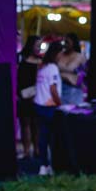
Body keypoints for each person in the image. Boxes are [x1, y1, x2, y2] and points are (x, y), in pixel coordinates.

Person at [33, 42, 64, 176]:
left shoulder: (42, 66)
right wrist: (60, 104)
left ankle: (43, 165)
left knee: (43, 137)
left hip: (38, 105)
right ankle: (51, 165)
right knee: (51, 138)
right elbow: (53, 89)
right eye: (61, 53)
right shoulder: (52, 68)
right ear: (56, 53)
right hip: (49, 107)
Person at [17, 37, 42, 160]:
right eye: (37, 45)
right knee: (25, 123)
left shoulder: (41, 61)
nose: (38, 48)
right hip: (23, 95)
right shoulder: (21, 58)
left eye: (40, 46)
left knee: (36, 124)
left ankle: (37, 149)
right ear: (31, 45)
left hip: (37, 95)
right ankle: (27, 150)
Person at [58, 33, 86, 106]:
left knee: (72, 114)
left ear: (74, 43)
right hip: (59, 88)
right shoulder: (59, 54)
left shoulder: (80, 57)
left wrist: (78, 81)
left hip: (73, 90)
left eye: (67, 42)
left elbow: (84, 74)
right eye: (64, 42)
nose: (65, 44)